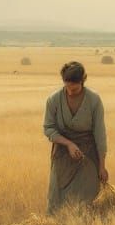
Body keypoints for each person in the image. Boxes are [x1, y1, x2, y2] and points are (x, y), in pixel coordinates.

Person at [43, 61, 107, 213]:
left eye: (75, 89)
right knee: (57, 201)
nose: (71, 92)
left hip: (88, 157)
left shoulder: (94, 100)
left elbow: (100, 134)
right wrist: (68, 144)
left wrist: (102, 166)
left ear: (83, 81)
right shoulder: (53, 100)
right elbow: (48, 129)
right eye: (68, 88)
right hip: (62, 156)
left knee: (87, 203)